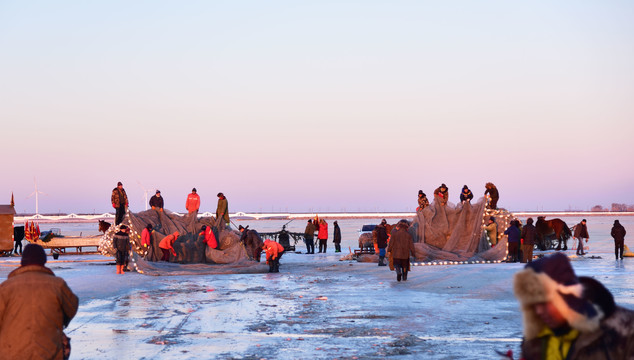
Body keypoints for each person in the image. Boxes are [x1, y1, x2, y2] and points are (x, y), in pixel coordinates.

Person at [513, 252, 634, 359]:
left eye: (545, 302)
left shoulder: (625, 332)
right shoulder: (535, 339)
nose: (538, 311)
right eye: (533, 304)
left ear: (567, 297)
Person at [0, 243, 79, 360]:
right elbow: (71, 306)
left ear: (23, 262)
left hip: (12, 353)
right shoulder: (57, 285)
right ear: (43, 261)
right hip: (48, 352)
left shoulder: (6, 287)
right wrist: (61, 322)